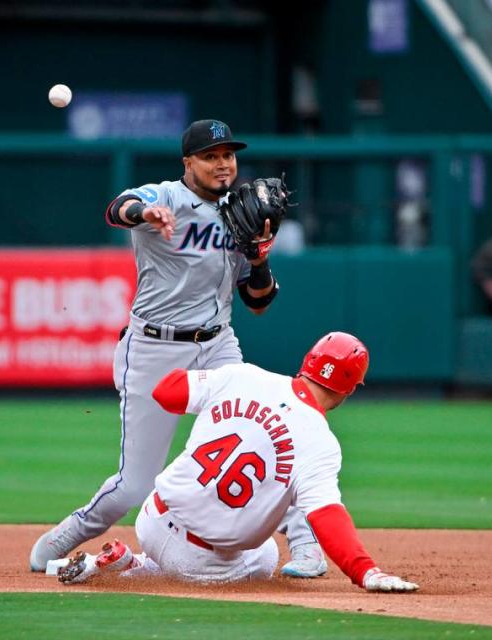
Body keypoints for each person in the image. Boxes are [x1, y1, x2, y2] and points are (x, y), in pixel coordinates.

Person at [29, 119, 327, 579]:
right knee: (136, 486)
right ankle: (71, 531)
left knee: (266, 438)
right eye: (211, 156)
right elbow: (117, 207)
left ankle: (305, 544)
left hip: (218, 345)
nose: (223, 164)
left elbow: (260, 302)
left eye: (229, 155)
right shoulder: (165, 196)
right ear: (188, 162)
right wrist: (144, 215)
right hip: (153, 348)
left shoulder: (242, 212)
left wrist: (259, 257)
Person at [51, 332, 420, 593]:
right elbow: (327, 518)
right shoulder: (321, 443)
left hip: (152, 519)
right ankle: (133, 571)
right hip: (200, 562)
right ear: (349, 389)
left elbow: (167, 392)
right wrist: (365, 571)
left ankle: (130, 562)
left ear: (307, 363)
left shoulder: (244, 376)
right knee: (267, 553)